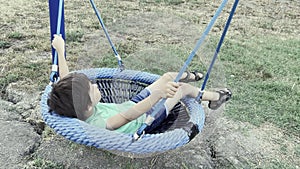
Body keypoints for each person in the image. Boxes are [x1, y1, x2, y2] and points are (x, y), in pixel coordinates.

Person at [47, 35, 232, 134]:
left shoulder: (78, 107)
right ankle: (215, 97)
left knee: (168, 76)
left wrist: (61, 51)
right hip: (146, 118)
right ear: (87, 105)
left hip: (133, 103)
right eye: (92, 88)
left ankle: (192, 75)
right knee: (180, 90)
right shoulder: (102, 124)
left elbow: (65, 80)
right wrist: (157, 96)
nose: (96, 86)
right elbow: (129, 116)